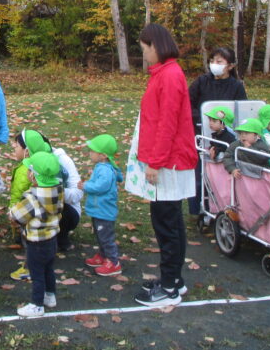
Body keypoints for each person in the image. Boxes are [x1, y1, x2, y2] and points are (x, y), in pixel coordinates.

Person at [133, 23, 197, 308]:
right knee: (171, 222)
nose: (144, 54)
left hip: (168, 163)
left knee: (167, 224)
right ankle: (175, 280)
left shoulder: (170, 75)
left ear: (155, 46)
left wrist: (155, 163)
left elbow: (168, 123)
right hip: (166, 161)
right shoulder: (163, 74)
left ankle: (170, 286)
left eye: (144, 49)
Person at [186, 46, 247, 215]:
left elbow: (242, 111)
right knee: (198, 175)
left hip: (226, 136)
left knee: (222, 175)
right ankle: (196, 210)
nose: (214, 64)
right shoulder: (201, 81)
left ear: (230, 65)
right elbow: (187, 104)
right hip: (201, 134)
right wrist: (202, 119)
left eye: (219, 61)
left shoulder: (236, 86)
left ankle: (222, 207)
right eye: (212, 61)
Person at [10, 151, 64, 318]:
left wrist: (11, 212)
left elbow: (17, 216)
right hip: (52, 239)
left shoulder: (33, 199)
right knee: (48, 268)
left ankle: (37, 304)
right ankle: (50, 295)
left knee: (36, 273)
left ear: (33, 175)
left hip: (36, 242)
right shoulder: (57, 192)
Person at [8, 129, 49, 281]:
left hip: (26, 215)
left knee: (30, 243)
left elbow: (18, 194)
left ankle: (29, 267)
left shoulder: (26, 170)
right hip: (43, 219)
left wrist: (13, 211)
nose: (13, 147)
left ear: (26, 151)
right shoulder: (42, 164)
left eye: (17, 145)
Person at [82, 134, 124, 276]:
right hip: (98, 210)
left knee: (106, 237)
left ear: (103, 155)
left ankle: (113, 262)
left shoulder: (105, 170)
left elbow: (101, 187)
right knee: (101, 235)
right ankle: (103, 255)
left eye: (93, 151)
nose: (90, 153)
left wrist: (86, 185)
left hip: (104, 211)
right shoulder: (102, 167)